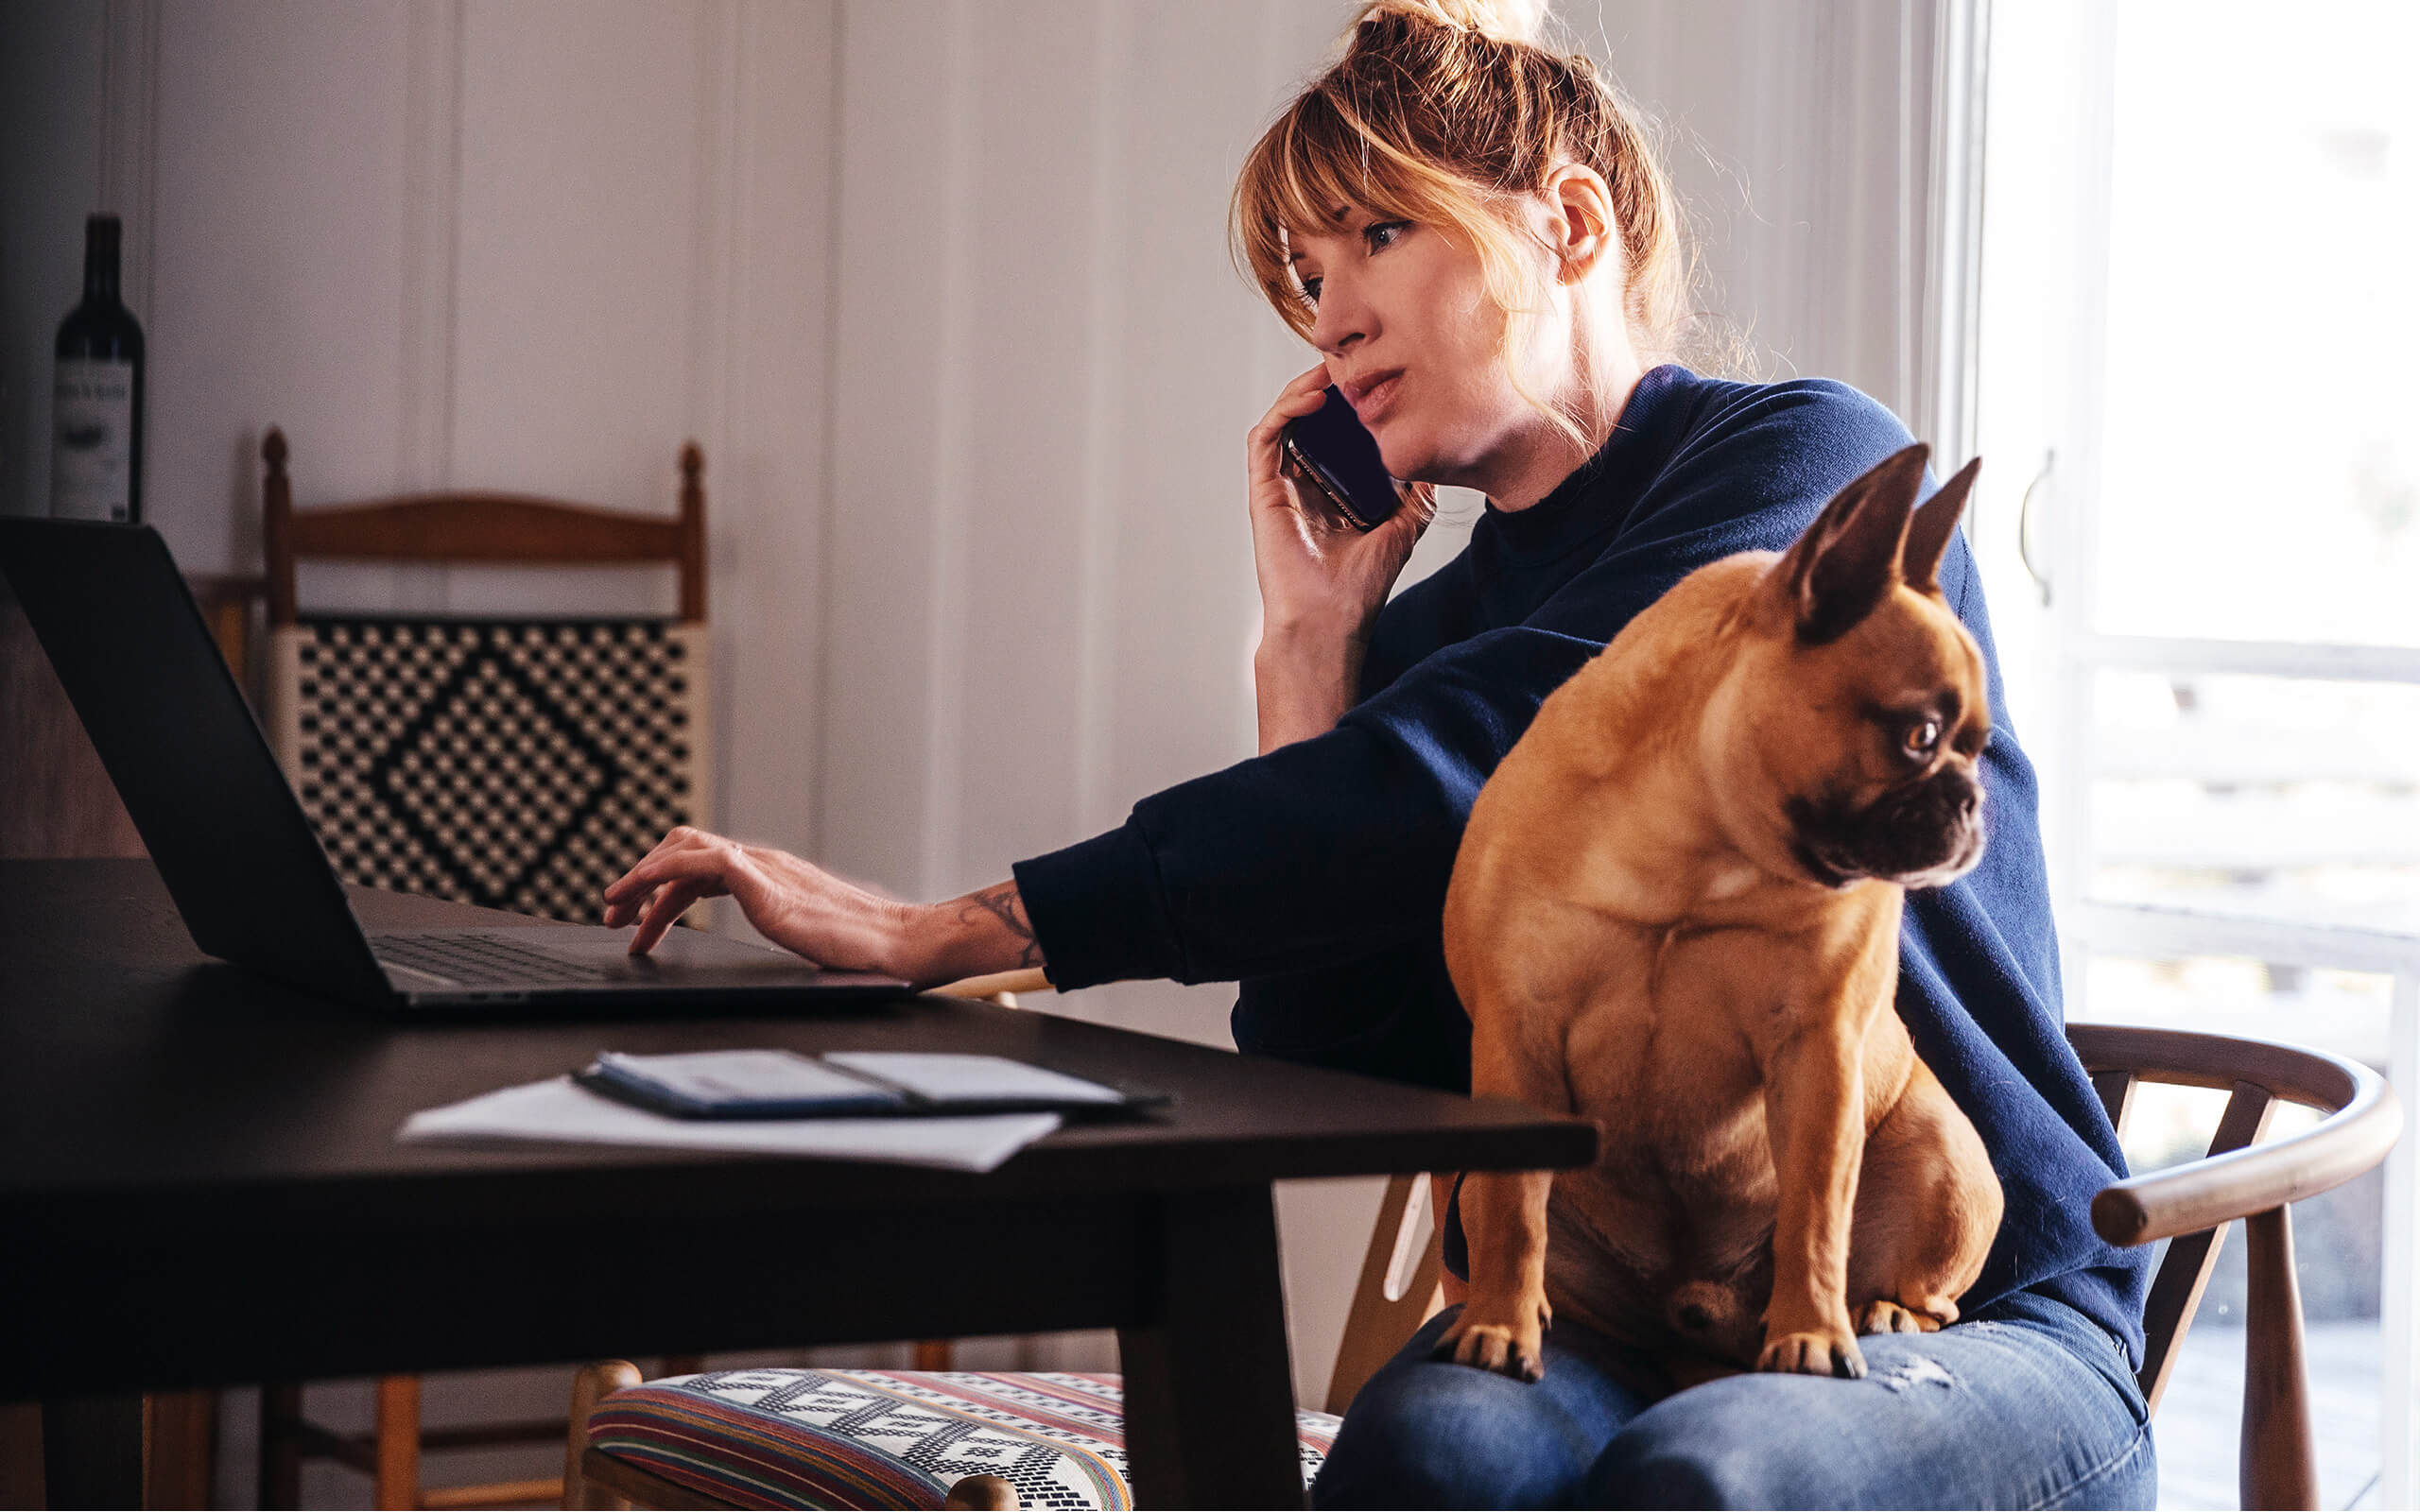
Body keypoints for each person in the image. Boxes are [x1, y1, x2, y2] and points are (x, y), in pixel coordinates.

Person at [602, 1, 2157, 1504]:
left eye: (1379, 236)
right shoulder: (1424, 652)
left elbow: (1472, 759)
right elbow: (1338, 1049)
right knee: (1425, 1459)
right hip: (1612, 1309)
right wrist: (1312, 651)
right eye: (1306, 266)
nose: (1329, 311)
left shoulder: (1804, 480)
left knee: (1711, 1476)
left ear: (1568, 224)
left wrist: (956, 925)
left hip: (1969, 1301)